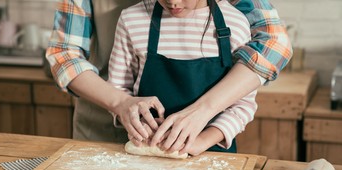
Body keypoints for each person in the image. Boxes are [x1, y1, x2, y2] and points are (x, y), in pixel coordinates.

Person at [46, 0, 292, 155]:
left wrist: (205, 120)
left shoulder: (233, 23)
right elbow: (63, 55)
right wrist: (121, 103)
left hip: (206, 149)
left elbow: (275, 44)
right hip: (105, 133)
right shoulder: (132, 19)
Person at [108, 0, 258, 155]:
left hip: (212, 152)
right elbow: (118, 91)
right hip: (147, 147)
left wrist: (202, 140)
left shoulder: (235, 23)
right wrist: (138, 123)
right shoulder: (132, 20)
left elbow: (243, 106)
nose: (173, 2)